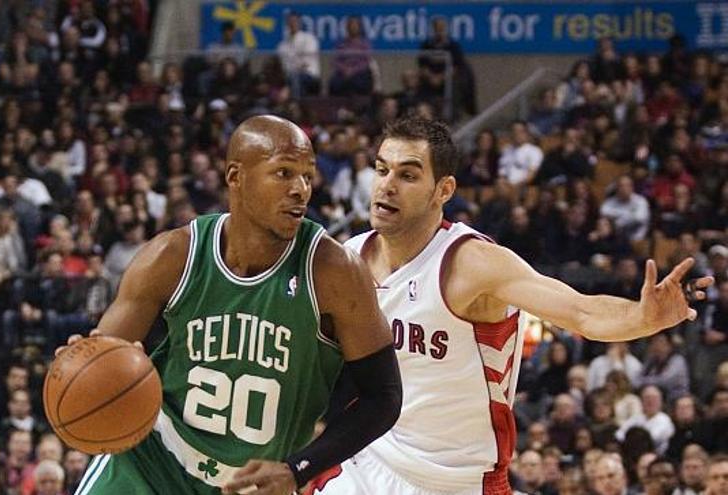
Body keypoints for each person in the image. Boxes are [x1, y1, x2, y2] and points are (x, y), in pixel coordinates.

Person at [305, 115, 711, 494]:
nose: (387, 185)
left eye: (408, 174)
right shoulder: (350, 258)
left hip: (457, 478)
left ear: (443, 190)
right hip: (368, 461)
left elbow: (581, 311)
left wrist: (643, 318)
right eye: (381, 169)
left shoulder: (473, 264)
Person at [61, 115, 401, 494]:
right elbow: (103, 356)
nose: (301, 189)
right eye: (284, 173)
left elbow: (383, 397)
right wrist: (83, 363)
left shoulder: (334, 271)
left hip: (250, 485)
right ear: (235, 176)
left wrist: (298, 469)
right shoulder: (172, 256)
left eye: (307, 175)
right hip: (150, 465)